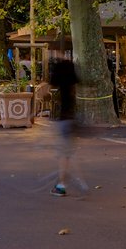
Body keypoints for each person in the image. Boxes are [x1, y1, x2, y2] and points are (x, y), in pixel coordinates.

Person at [49, 58, 80, 197]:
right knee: (66, 153)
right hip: (71, 119)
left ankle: (61, 185)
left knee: (64, 154)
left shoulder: (62, 84)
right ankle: (62, 182)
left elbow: (47, 88)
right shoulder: (72, 86)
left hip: (64, 121)